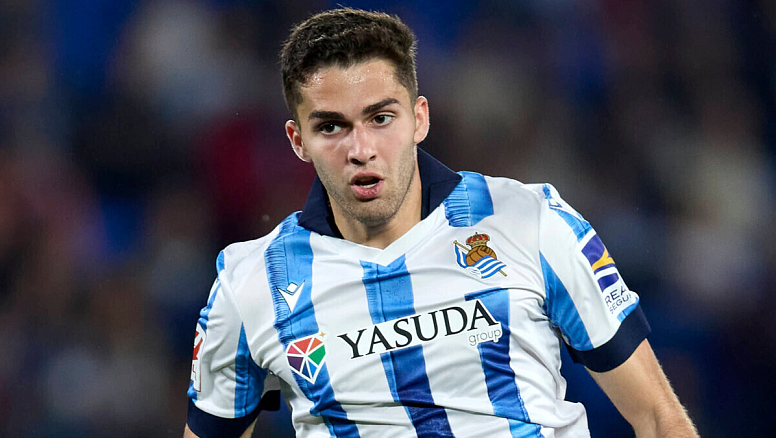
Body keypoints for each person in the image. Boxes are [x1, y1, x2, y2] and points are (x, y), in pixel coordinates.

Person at [184, 7, 699, 438]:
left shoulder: (530, 221)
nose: (361, 149)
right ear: (298, 141)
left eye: (381, 118)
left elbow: (660, 419)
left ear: (420, 118)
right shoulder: (250, 282)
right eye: (332, 127)